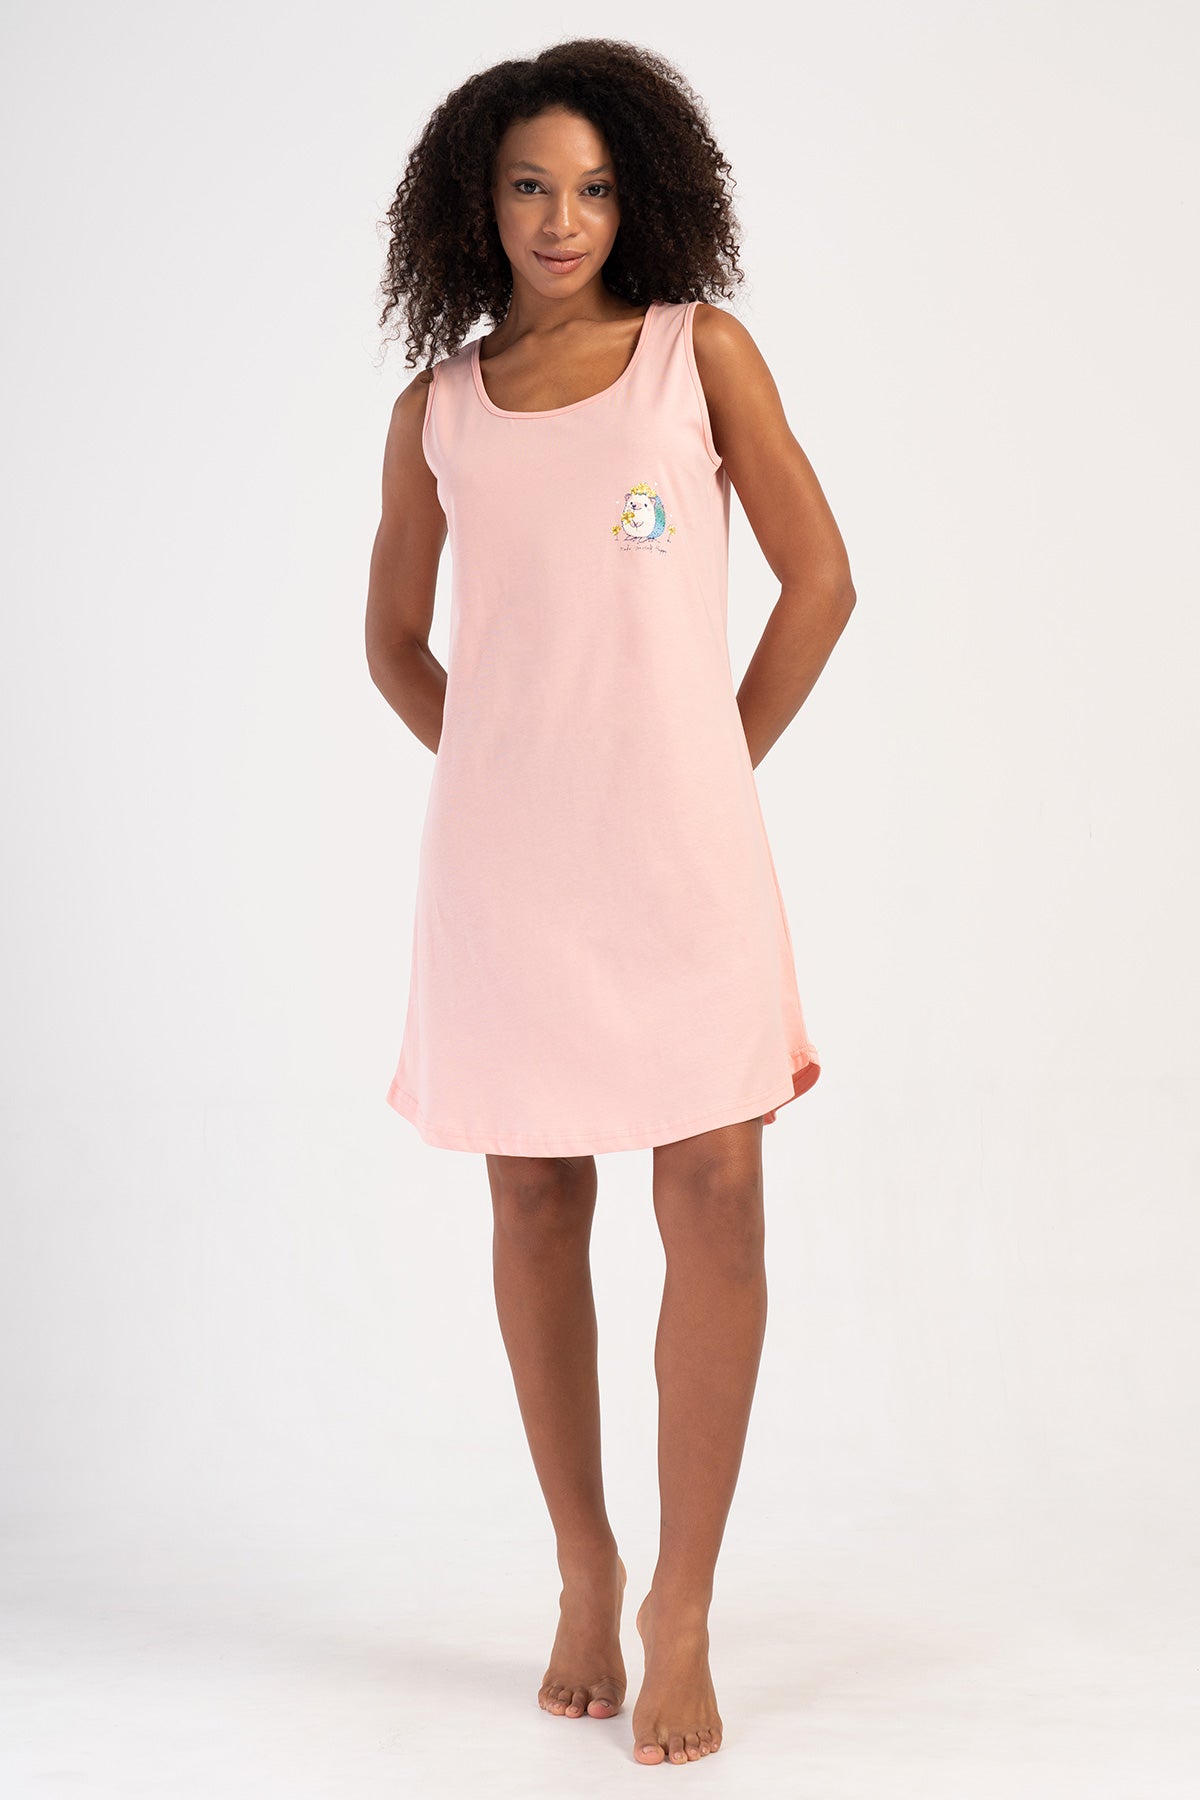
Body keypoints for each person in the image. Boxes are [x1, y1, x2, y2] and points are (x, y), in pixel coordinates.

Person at [366, 38, 856, 1768]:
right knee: (534, 1198)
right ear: (477, 204)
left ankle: (684, 1607)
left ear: (638, 195)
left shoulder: (694, 356)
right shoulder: (439, 409)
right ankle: (586, 1567)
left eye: (589, 186)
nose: (561, 217)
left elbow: (820, 581)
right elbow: (393, 644)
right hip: (508, 870)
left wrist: (707, 763)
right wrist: (514, 768)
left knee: (715, 1189)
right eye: (528, 185)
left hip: (681, 857)